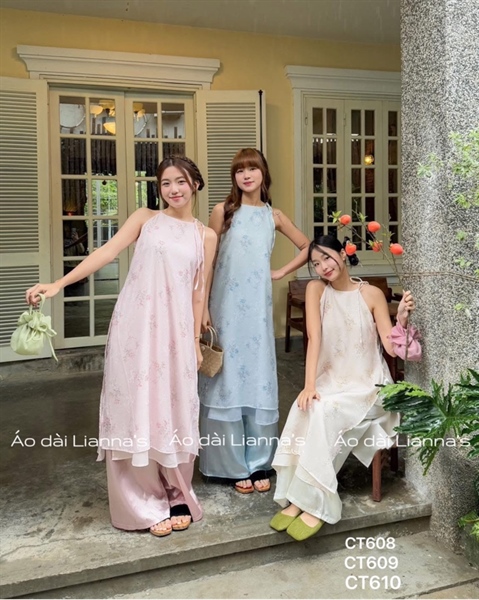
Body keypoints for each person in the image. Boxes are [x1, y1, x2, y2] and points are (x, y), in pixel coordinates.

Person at [26, 156, 217, 537]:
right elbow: (106, 253)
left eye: (181, 181)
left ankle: (177, 491)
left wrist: (195, 341)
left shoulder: (205, 236)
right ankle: (144, 500)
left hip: (177, 333)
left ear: (195, 183)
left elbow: (199, 292)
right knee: (136, 407)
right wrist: (58, 284)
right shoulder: (146, 219)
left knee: (174, 407)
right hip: (135, 326)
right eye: (166, 183)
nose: (174, 189)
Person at [269, 234, 415, 541]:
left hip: (369, 388)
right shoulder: (316, 290)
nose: (323, 267)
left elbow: (391, 348)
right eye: (315, 263)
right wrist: (309, 385)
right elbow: (314, 339)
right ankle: (297, 496)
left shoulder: (372, 294)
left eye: (327, 257)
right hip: (331, 382)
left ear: (343, 254)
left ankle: (313, 502)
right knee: (305, 407)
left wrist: (401, 320)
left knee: (326, 412)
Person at [199, 148, 310, 494]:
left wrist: (280, 271)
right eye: (239, 171)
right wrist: (202, 307)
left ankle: (260, 461)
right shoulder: (223, 211)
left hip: (257, 312)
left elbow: (307, 246)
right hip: (224, 307)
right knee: (228, 377)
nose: (246, 175)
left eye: (252, 169)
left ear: (264, 173)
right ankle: (230, 465)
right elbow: (207, 261)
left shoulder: (273, 216)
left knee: (257, 375)